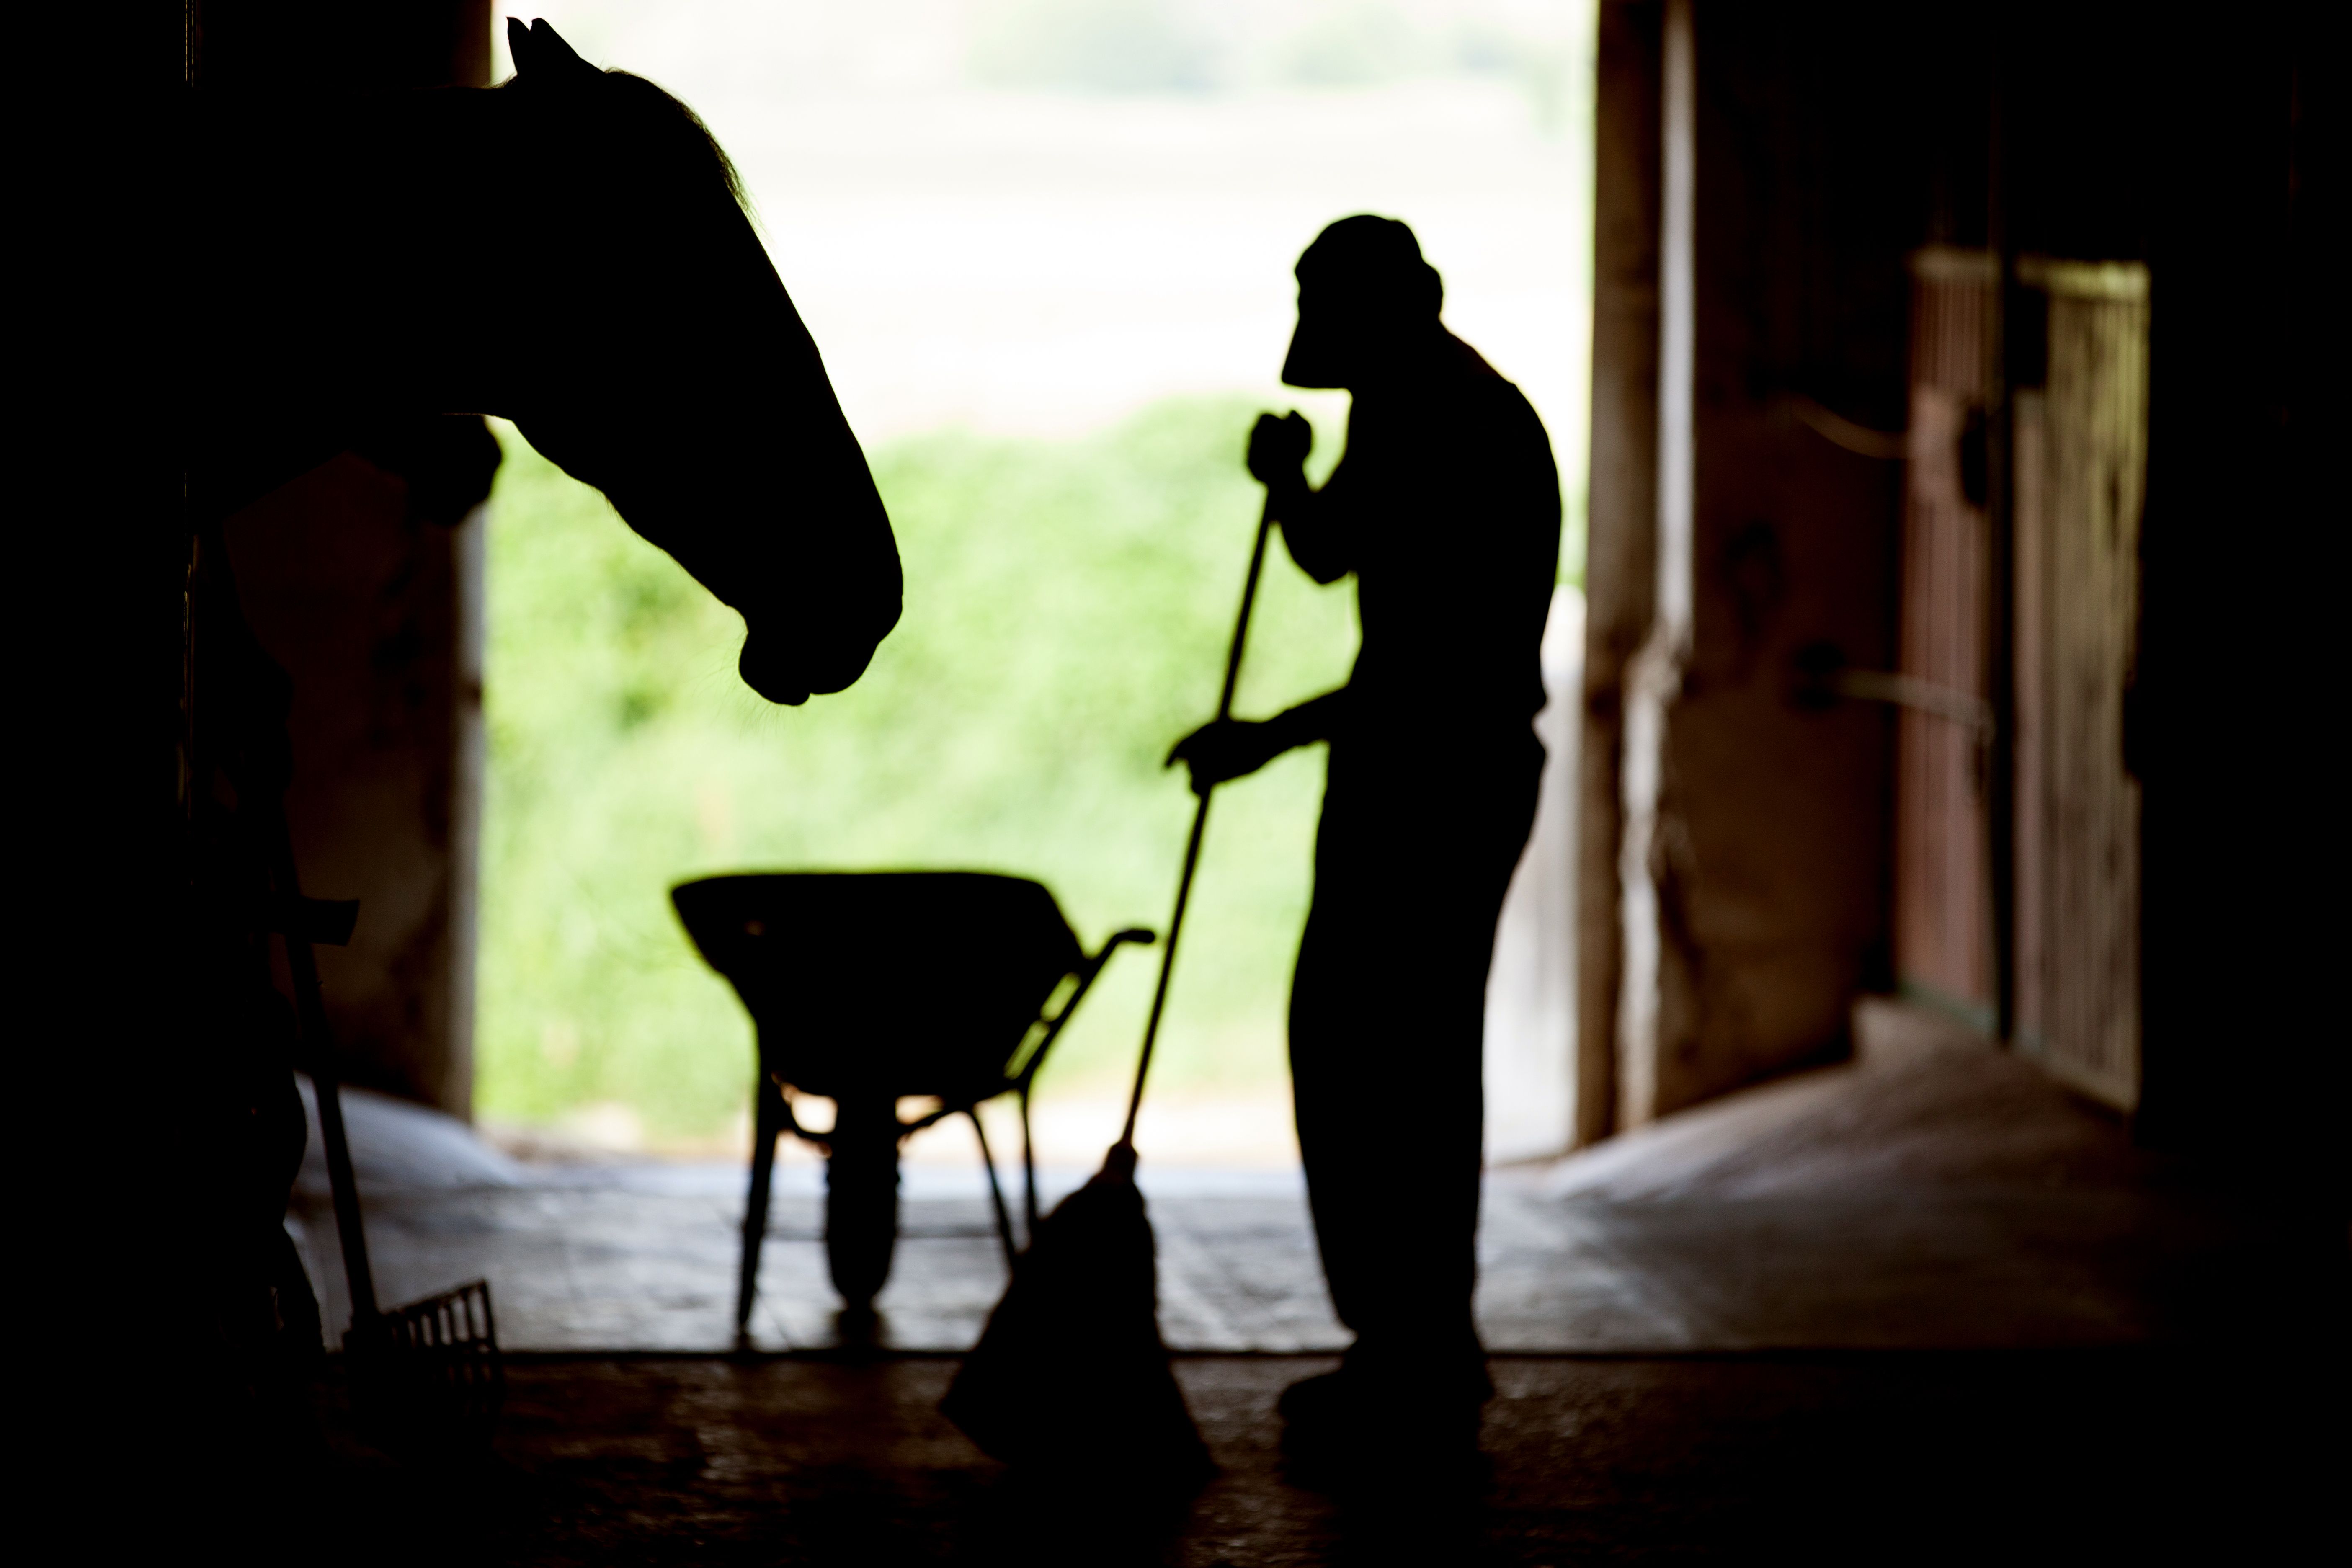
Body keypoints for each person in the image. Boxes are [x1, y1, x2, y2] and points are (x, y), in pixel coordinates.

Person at [1168, 215, 1560, 1461]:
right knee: (1375, 1051)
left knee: (1392, 1058)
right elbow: (1338, 554)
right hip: (1408, 768)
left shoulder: (1454, 424)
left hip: (1442, 774)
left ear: (1401, 305)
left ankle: (1419, 1347)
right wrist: (1289, 484)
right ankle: (1408, 1339)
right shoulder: (1403, 402)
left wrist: (1266, 737)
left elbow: (1434, 672)